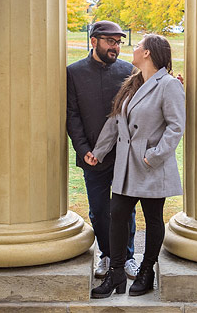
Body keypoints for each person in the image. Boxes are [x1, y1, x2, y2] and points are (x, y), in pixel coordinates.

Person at [85, 33, 184, 298]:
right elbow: (115, 121)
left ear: (149, 53)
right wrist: (99, 151)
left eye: (138, 46)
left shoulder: (169, 85)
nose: (134, 49)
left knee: (153, 219)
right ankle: (116, 274)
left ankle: (146, 271)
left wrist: (154, 156)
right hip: (127, 166)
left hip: (151, 165)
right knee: (116, 215)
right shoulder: (133, 82)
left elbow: (176, 127)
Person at [66, 20, 138, 279]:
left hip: (123, 156)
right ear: (94, 41)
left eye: (118, 42)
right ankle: (107, 255)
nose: (115, 47)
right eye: (110, 41)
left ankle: (128, 257)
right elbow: (72, 115)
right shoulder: (73, 73)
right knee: (98, 210)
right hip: (91, 157)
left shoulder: (129, 70)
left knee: (125, 209)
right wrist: (83, 148)